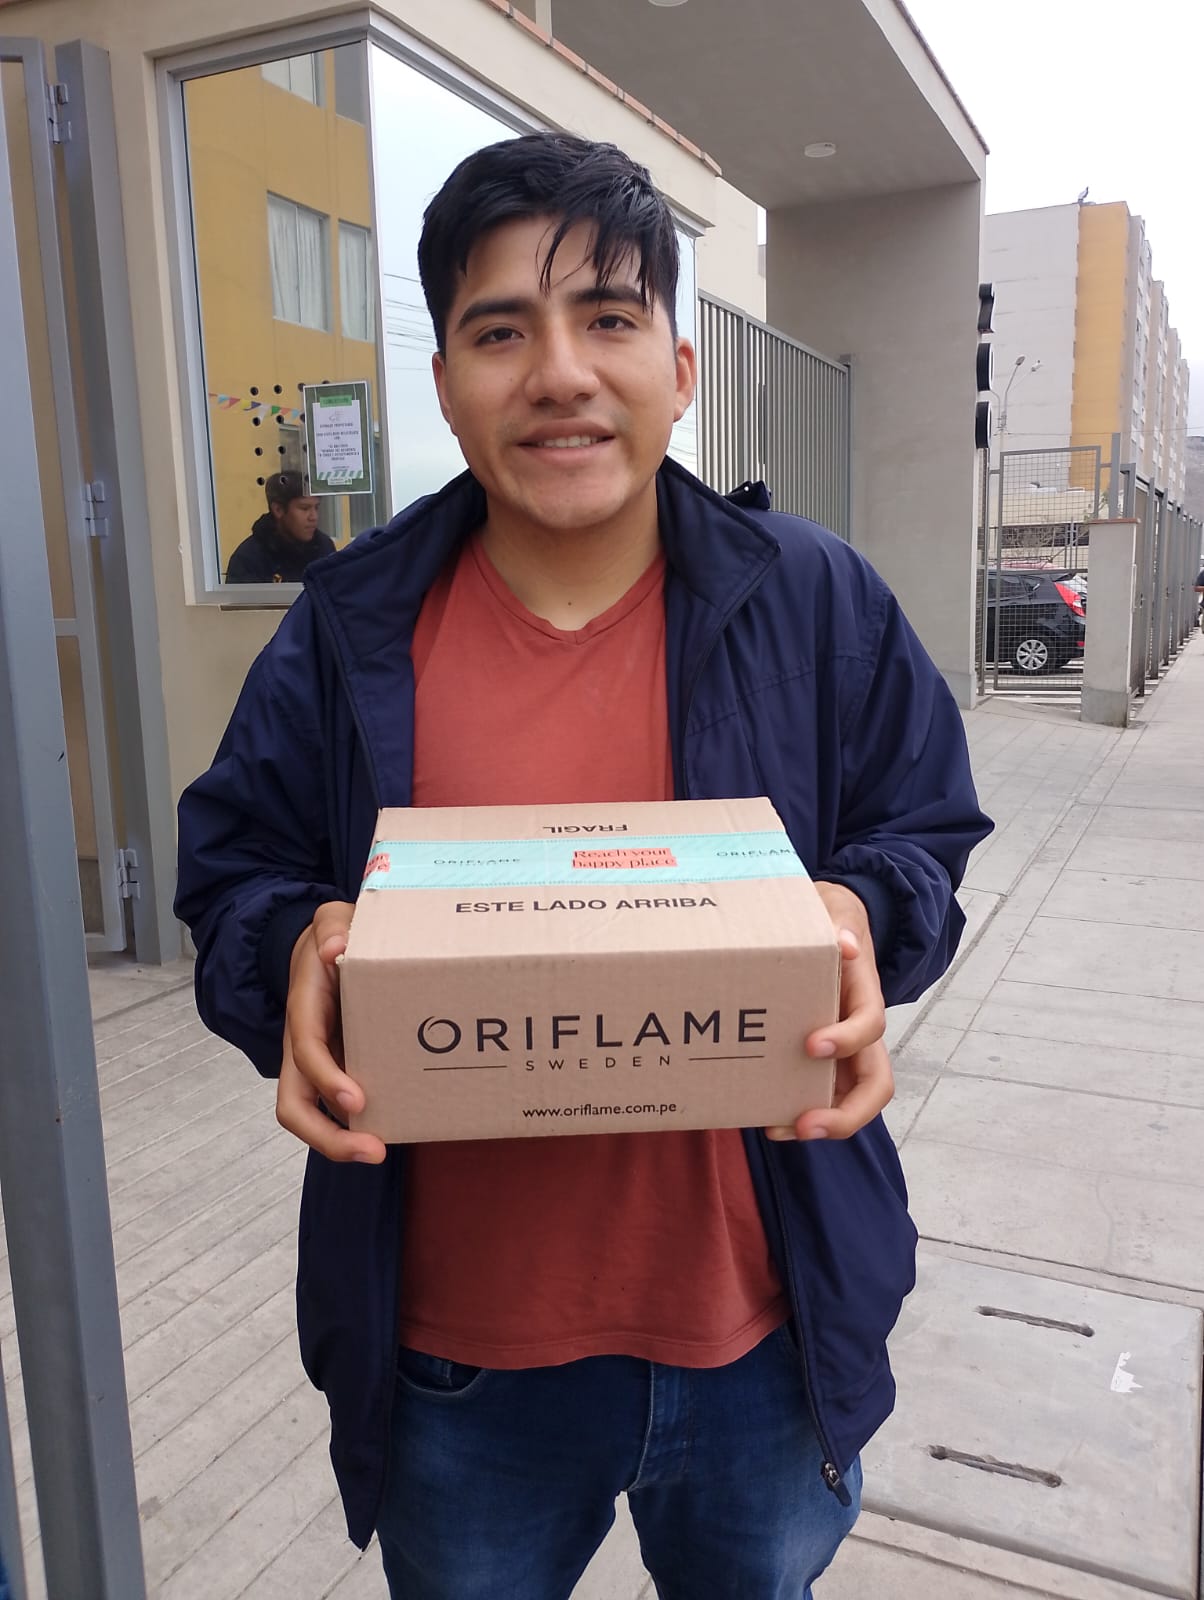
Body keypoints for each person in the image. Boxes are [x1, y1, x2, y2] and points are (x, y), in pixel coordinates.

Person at [176, 132, 992, 1599]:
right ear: (445, 384)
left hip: (764, 1336)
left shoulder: (816, 602)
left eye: (607, 318)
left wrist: (861, 909)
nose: (559, 373)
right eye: (501, 332)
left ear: (678, 368)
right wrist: (291, 945)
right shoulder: (349, 629)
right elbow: (235, 866)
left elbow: (923, 826)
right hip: (457, 1364)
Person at [224, 471, 335, 584]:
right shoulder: (249, 558)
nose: (314, 517)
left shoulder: (324, 547)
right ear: (278, 510)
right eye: (304, 508)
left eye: (316, 507)